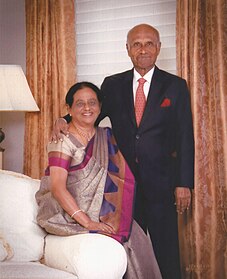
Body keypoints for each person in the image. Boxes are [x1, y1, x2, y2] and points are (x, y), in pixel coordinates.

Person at [53, 24, 194, 279]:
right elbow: (90, 114)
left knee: (166, 249)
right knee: (127, 250)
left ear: (159, 48)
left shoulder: (175, 86)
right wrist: (63, 120)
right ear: (127, 49)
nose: (143, 49)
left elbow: (186, 136)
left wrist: (184, 183)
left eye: (149, 43)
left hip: (163, 183)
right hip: (122, 185)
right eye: (137, 44)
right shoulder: (112, 84)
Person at [36, 81, 162, 279]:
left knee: (138, 237)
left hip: (104, 211)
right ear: (69, 108)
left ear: (100, 107)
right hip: (69, 214)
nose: (87, 108)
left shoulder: (106, 135)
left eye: (92, 102)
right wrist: (88, 222)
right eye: (80, 103)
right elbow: (58, 188)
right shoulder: (61, 140)